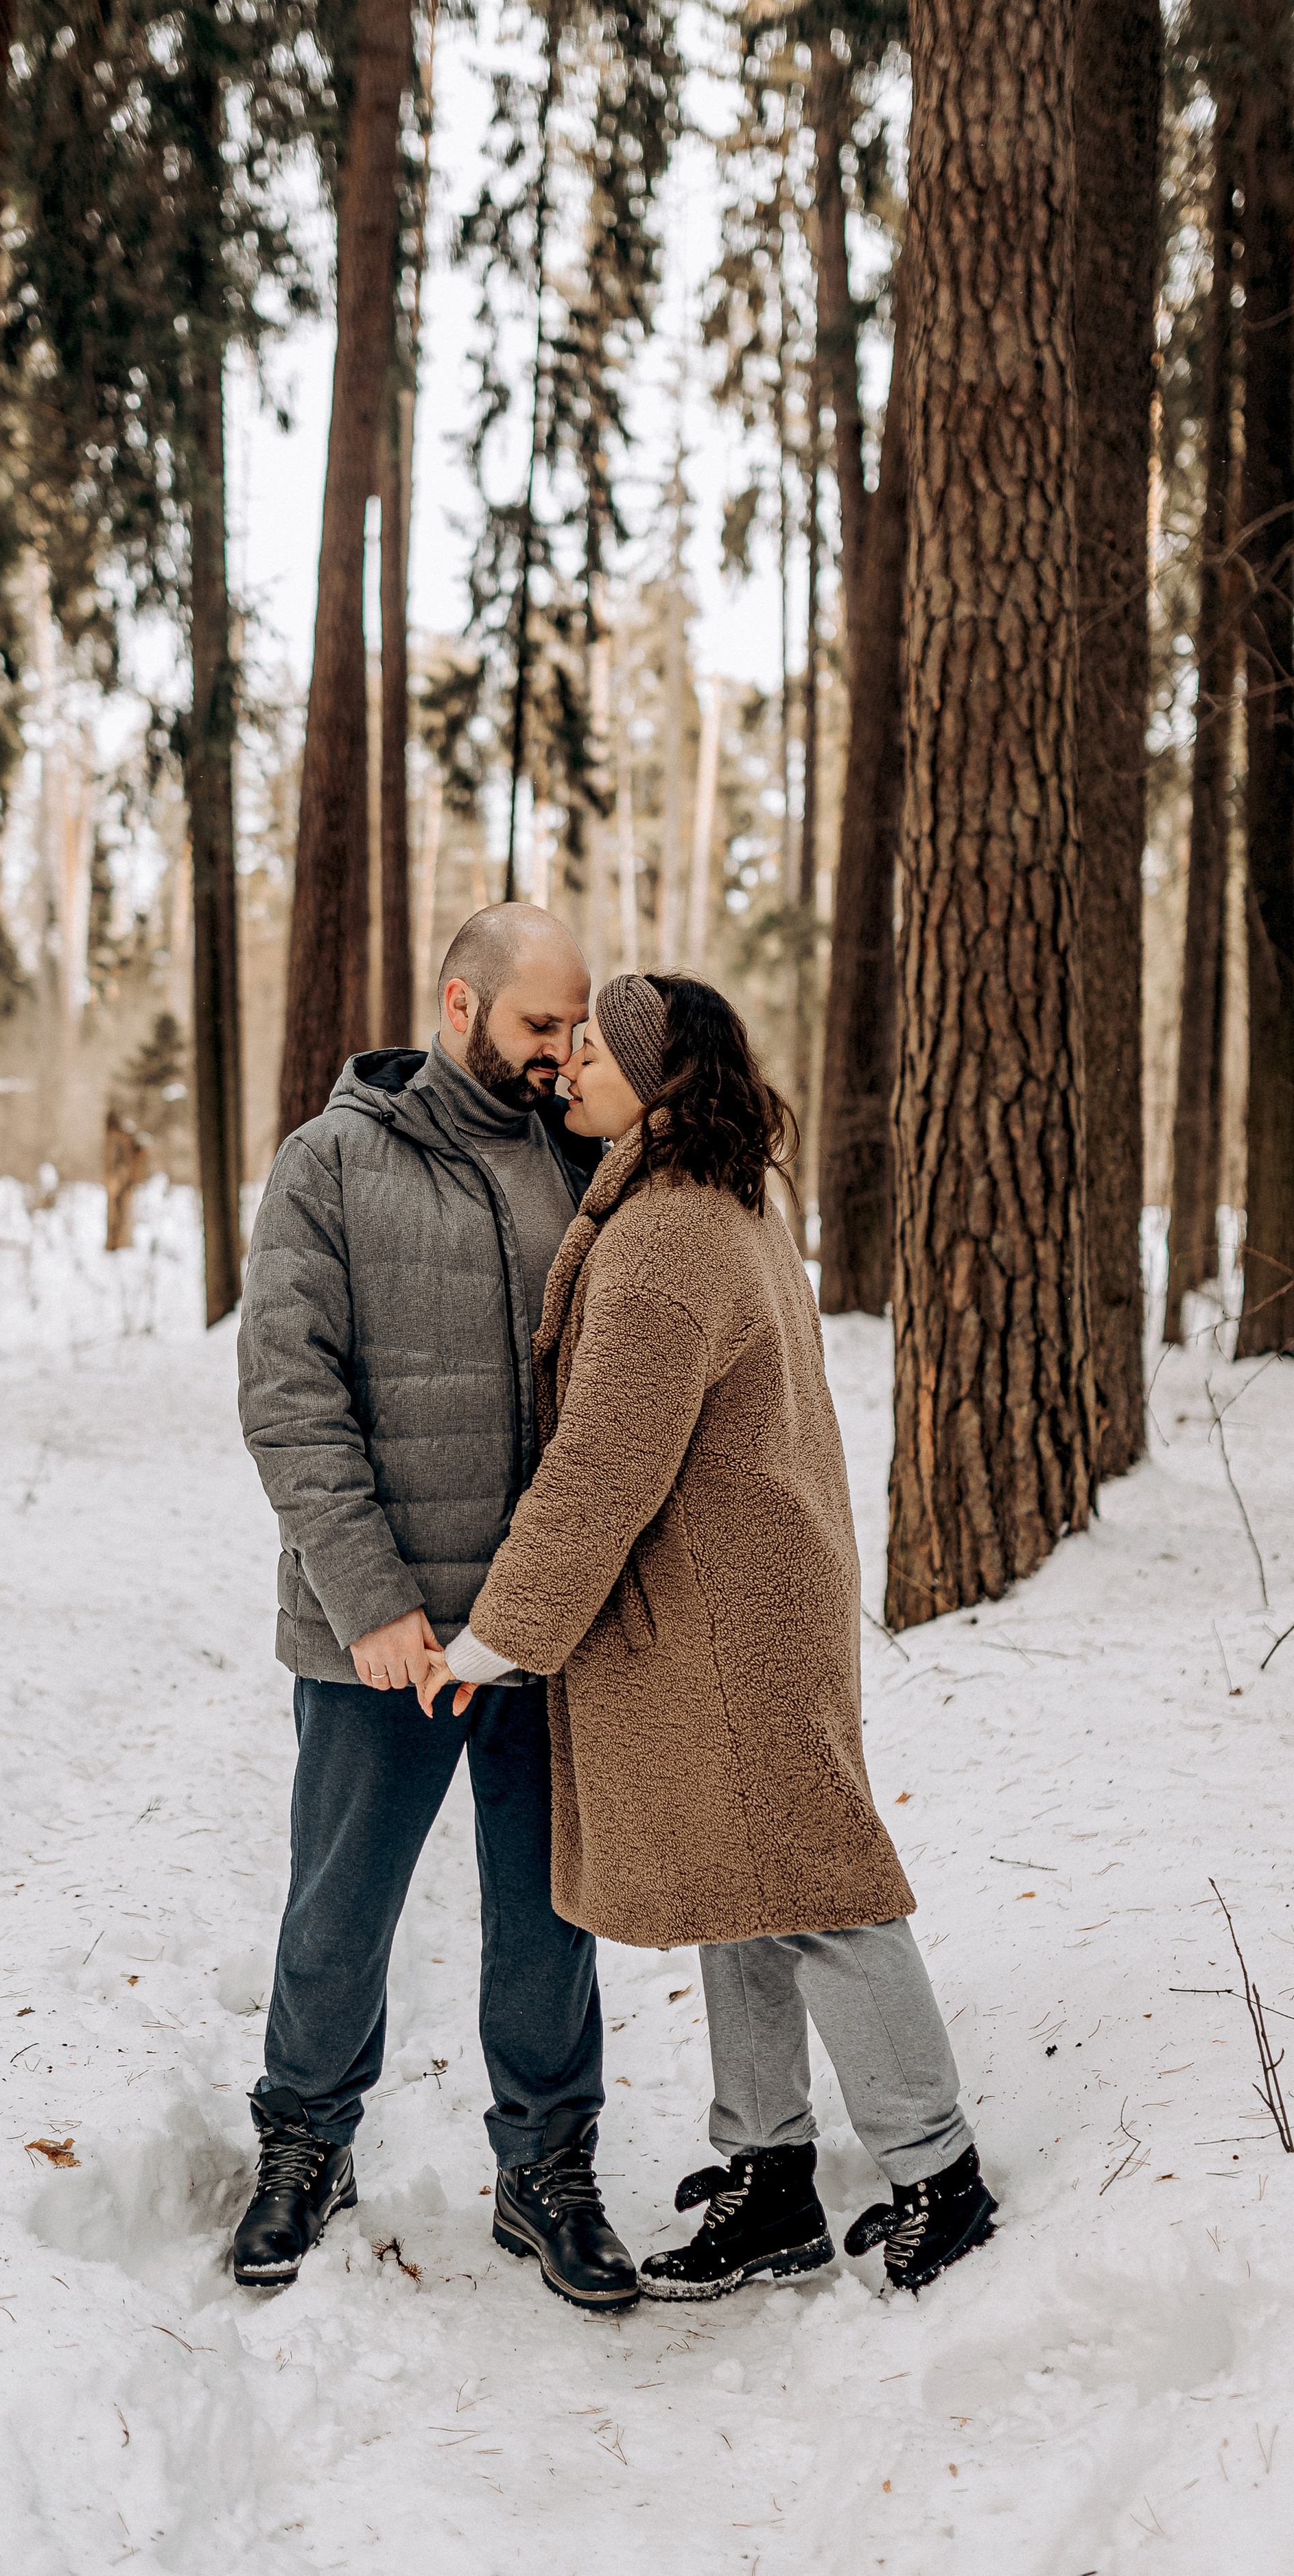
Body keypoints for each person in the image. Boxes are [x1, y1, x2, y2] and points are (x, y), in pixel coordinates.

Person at [417, 971, 997, 2301]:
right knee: (744, 1892)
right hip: (735, 1599)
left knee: (817, 1885)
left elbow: (600, 1469)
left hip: (731, 1619)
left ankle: (937, 2169)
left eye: (596, 1053)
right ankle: (768, 2174)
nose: (569, 1065)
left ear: (658, 1082)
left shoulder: (668, 1229)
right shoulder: (706, 1191)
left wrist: (495, 1637)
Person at [233, 906, 639, 2309]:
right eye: (541, 1023)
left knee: (546, 1917)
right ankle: (302, 2141)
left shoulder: (585, 1164)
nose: (560, 1051)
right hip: (382, 1639)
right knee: (337, 1910)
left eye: (574, 1027)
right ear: (460, 1006)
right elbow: (288, 1397)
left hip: (538, 1630)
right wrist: (371, 1602)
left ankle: (547, 2167)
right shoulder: (328, 1163)